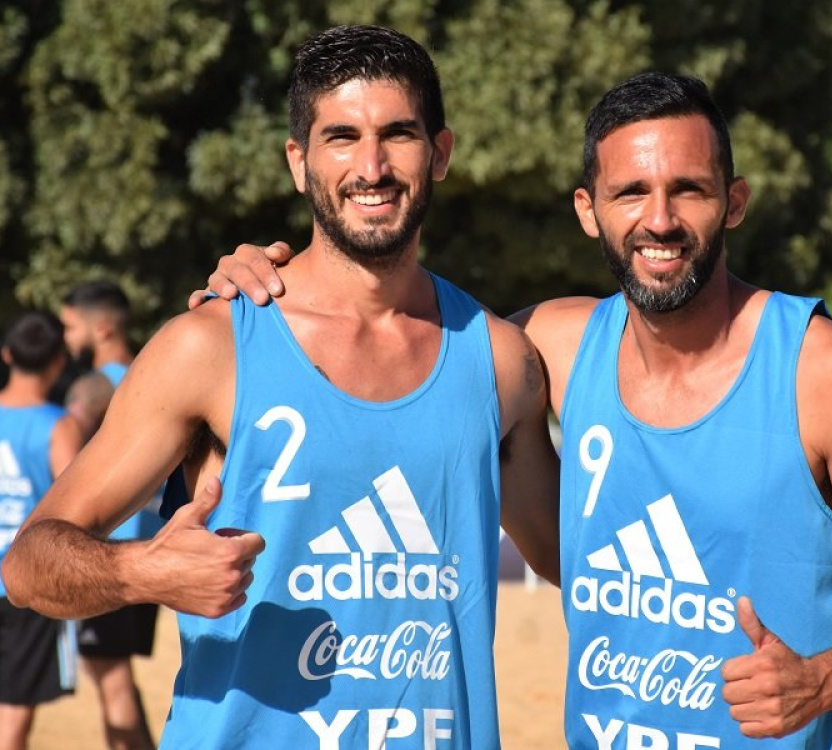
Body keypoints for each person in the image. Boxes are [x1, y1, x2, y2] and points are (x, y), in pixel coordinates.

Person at [204, 71, 832, 747]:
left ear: (734, 202)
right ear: (588, 209)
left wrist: (823, 682)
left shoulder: (823, 370)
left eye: (689, 189)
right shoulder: (551, 347)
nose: (659, 219)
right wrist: (262, 284)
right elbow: (385, 351)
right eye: (631, 192)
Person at [2, 25, 559, 749]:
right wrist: (142, 572)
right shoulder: (212, 346)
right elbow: (28, 564)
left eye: (398, 134)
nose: (371, 167)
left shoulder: (501, 363)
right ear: (299, 162)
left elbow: (575, 563)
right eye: (341, 138)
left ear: (441, 153)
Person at [60, 280, 158, 750]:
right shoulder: (156, 372)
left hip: (106, 550)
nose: (65, 338)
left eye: (69, 327)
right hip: (148, 542)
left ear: (100, 329)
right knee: (119, 684)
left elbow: (63, 452)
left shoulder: (96, 387)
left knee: (112, 685)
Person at [0, 311, 83, 750]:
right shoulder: (59, 425)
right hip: (22, 582)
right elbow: (75, 505)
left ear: (7, 354)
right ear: (58, 362)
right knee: (13, 715)